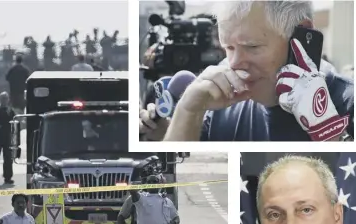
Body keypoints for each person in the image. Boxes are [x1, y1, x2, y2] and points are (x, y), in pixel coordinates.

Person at [141, 1, 353, 142]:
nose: (234, 63)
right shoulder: (218, 104)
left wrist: (330, 133)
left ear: (301, 34)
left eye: (252, 47)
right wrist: (187, 111)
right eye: (229, 48)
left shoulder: (348, 102)